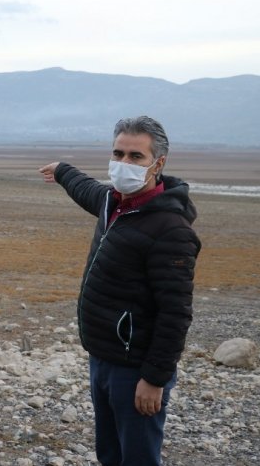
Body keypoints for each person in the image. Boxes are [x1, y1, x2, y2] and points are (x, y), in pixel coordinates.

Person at [39, 116, 201, 466]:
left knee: (138, 457)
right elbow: (88, 190)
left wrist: (154, 379)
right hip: (103, 357)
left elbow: (176, 312)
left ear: (158, 164)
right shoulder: (116, 203)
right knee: (110, 454)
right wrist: (63, 171)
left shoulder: (170, 229)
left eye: (135, 157)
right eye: (118, 154)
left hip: (135, 367)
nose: (123, 164)